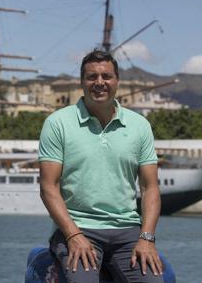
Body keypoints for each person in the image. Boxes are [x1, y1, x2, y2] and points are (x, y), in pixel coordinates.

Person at [38, 49, 164, 283]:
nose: (99, 83)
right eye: (91, 77)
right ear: (82, 82)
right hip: (77, 227)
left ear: (117, 81)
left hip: (127, 230)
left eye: (106, 76)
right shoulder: (57, 123)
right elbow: (48, 187)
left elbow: (150, 188)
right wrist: (73, 235)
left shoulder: (140, 126)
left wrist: (147, 238)